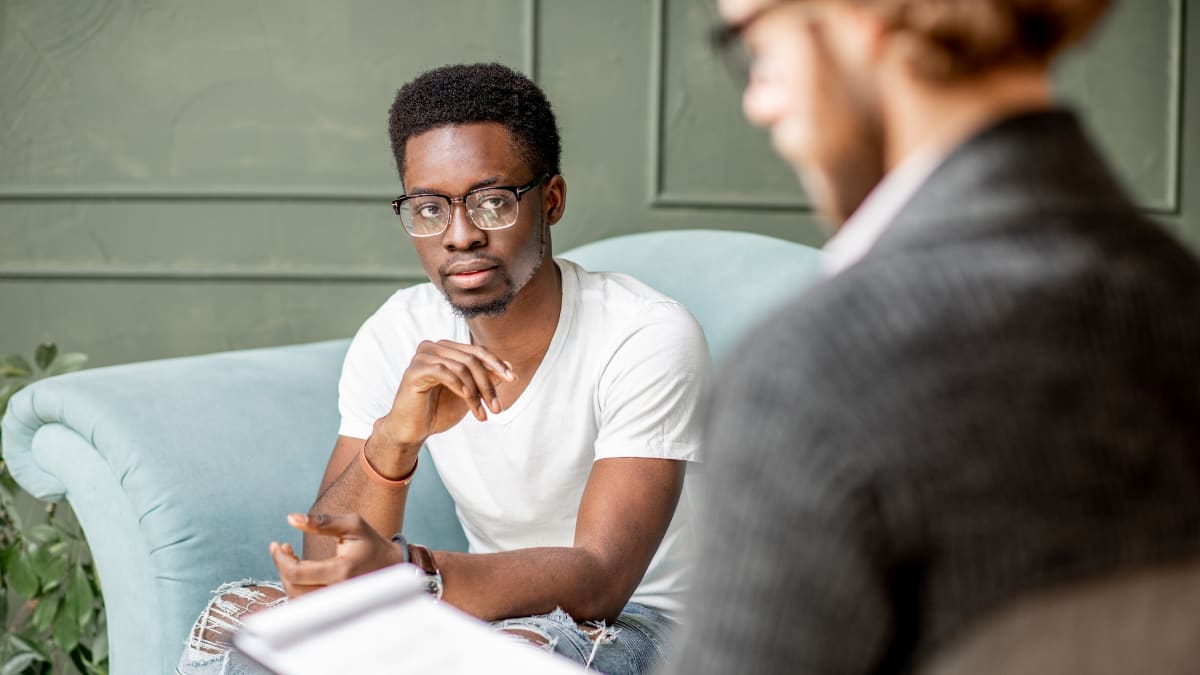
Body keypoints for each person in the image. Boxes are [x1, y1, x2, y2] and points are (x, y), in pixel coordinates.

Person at [667, 1, 1200, 674]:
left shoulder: (815, 373)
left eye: (758, 49)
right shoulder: (1179, 299)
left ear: (860, 18)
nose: (758, 102)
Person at [177, 62, 710, 675]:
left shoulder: (644, 334)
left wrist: (413, 578)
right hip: (500, 607)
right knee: (239, 623)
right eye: (429, 209)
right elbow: (330, 567)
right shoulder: (400, 330)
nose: (459, 236)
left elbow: (601, 578)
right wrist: (392, 440)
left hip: (651, 622)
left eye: (491, 203)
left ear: (551, 201)